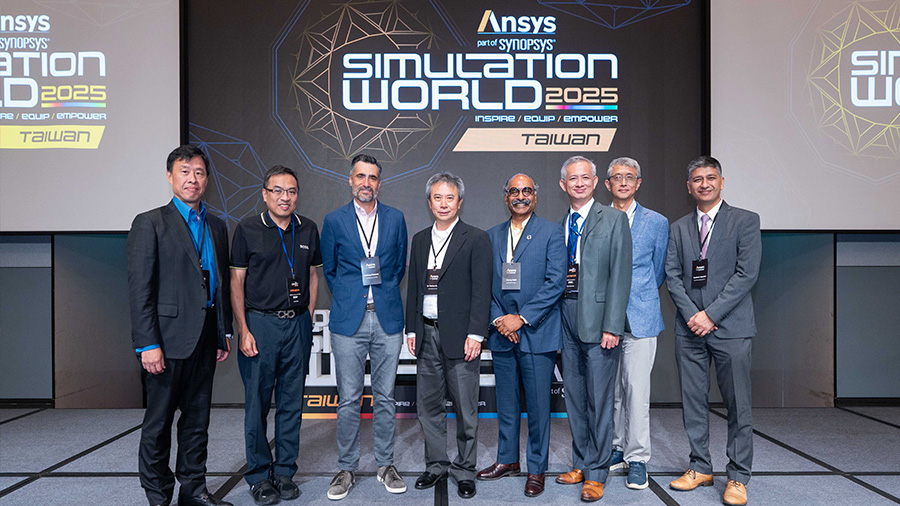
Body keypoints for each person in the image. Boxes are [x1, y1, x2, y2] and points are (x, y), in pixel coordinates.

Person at [127, 145, 233, 506]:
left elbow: (218, 284)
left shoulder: (216, 226)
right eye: (185, 172)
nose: (193, 179)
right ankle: (158, 496)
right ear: (170, 176)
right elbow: (140, 290)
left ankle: (194, 490)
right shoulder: (150, 223)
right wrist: (147, 343)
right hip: (165, 341)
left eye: (199, 172)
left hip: (205, 337)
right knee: (158, 424)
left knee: (197, 421)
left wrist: (222, 333)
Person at [666, 156, 760, 506]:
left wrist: (711, 314)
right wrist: (694, 315)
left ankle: (738, 476)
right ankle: (700, 466)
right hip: (689, 328)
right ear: (688, 186)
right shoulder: (678, 228)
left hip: (731, 327)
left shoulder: (745, 221)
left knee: (738, 404)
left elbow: (746, 275)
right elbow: (672, 276)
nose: (704, 184)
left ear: (721, 182)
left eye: (710, 178)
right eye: (697, 179)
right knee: (693, 402)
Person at [230, 165, 322, 505]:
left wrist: (307, 317)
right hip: (260, 325)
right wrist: (243, 329)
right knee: (257, 405)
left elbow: (312, 275)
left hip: (296, 325)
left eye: (291, 191)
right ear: (265, 194)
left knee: (291, 403)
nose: (285, 197)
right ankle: (258, 476)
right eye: (278, 191)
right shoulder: (248, 229)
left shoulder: (308, 228)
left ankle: (284, 473)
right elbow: (236, 282)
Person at [320, 154, 408, 500]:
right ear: (350, 180)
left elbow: (398, 267)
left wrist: (378, 295)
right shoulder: (334, 220)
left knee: (385, 397)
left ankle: (385, 465)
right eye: (360, 176)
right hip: (348, 320)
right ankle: (346, 468)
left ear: (379, 183)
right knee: (348, 400)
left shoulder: (395, 218)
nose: (366, 183)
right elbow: (330, 270)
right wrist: (351, 296)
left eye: (372, 177)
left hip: (387, 318)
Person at [476, 174, 566, 497]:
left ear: (535, 196)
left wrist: (521, 319)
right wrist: (501, 320)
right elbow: (484, 284)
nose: (520, 196)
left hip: (536, 332)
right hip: (502, 332)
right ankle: (507, 460)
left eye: (527, 190)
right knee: (507, 404)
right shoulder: (492, 236)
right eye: (514, 191)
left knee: (539, 407)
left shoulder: (552, 233)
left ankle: (536, 468)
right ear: (506, 197)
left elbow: (556, 282)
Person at [405, 172, 492, 500]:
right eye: (437, 198)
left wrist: (476, 334)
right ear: (429, 202)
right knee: (429, 406)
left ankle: (465, 469)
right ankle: (436, 464)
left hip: (461, 337)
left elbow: (482, 291)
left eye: (449, 198)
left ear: (460, 202)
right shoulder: (420, 239)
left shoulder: (476, 238)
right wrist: (411, 329)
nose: (443, 203)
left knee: (466, 408)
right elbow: (414, 288)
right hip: (426, 333)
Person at [555, 155, 632, 502]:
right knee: (574, 398)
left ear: (596, 181)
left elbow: (620, 276)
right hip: (565, 318)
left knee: (599, 401)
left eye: (585, 177)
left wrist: (612, 325)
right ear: (563, 185)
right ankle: (581, 462)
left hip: (600, 321)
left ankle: (597, 472)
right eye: (573, 179)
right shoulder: (561, 223)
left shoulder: (614, 219)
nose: (579, 183)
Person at [602, 157, 669, 490]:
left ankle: (638, 458)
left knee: (637, 393)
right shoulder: (598, 218)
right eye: (617, 177)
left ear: (638, 183)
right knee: (612, 393)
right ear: (607, 184)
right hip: (604, 322)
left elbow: (657, 271)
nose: (624, 182)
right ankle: (616, 449)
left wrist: (634, 297)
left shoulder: (657, 222)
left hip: (640, 318)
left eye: (630, 177)